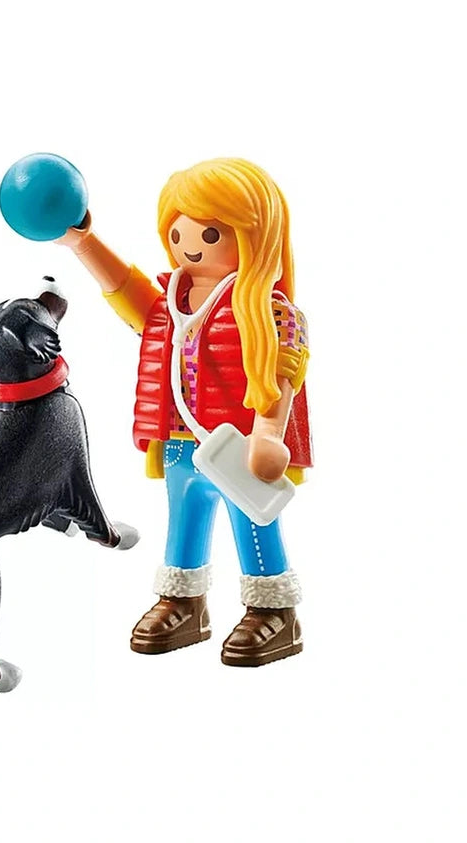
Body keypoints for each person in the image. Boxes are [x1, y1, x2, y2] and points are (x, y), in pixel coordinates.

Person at [56, 157, 313, 666]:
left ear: (254, 235)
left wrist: (268, 432)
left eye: (210, 234)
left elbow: (281, 372)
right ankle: (183, 601)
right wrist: (83, 243)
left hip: (238, 445)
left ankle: (273, 609)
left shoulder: (270, 311)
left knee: (254, 525)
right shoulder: (172, 303)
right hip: (180, 442)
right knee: (184, 521)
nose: (189, 246)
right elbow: (126, 290)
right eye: (177, 233)